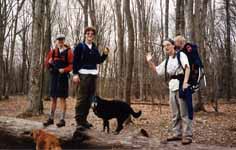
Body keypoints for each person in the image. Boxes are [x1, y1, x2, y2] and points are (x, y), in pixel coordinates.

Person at [146, 39, 193, 145]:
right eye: (164, 46)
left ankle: (187, 136)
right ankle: (177, 134)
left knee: (184, 112)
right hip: (172, 87)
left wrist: (185, 82)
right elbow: (157, 70)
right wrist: (149, 61)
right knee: (175, 113)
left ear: (173, 45)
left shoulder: (181, 55)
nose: (166, 47)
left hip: (182, 86)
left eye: (168, 45)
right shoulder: (167, 60)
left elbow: (187, 68)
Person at [72, 26, 109, 130]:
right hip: (83, 75)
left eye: (92, 34)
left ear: (93, 36)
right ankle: (79, 121)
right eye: (88, 33)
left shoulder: (94, 48)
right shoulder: (80, 46)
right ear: (85, 35)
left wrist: (105, 54)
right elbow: (75, 61)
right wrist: (75, 74)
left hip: (93, 75)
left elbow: (99, 61)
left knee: (90, 99)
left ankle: (84, 120)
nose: (90, 35)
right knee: (81, 99)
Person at [43, 34, 73, 128]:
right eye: (59, 40)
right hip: (54, 78)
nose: (60, 42)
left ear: (64, 41)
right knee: (53, 98)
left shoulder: (69, 52)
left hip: (63, 78)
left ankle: (62, 120)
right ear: (56, 41)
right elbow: (47, 64)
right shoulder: (52, 52)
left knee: (62, 99)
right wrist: (49, 62)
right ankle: (51, 119)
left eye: (62, 40)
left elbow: (72, 65)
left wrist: (64, 70)